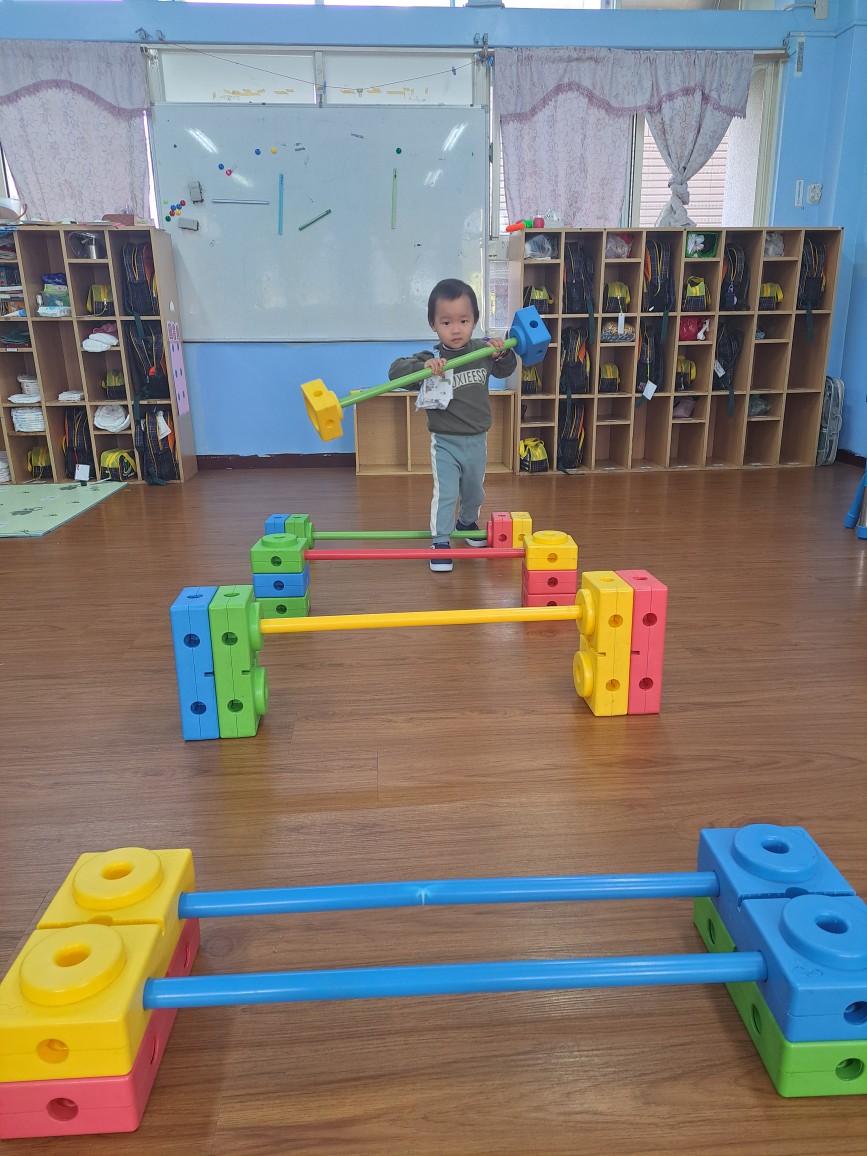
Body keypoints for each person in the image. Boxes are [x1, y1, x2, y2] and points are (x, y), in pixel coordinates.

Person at [388, 279, 517, 572]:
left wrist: (503, 353)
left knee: (474, 492)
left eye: (463, 321)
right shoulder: (433, 359)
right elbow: (394, 372)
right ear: (433, 324)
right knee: (446, 493)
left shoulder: (481, 351)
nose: (455, 329)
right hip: (445, 442)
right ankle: (441, 541)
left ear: (475, 321)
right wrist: (421, 369)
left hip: (477, 439)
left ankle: (466, 523)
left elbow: (505, 369)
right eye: (446, 322)